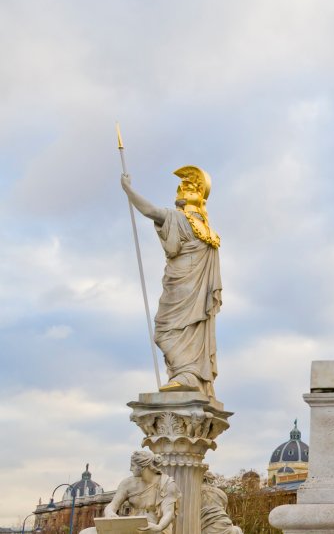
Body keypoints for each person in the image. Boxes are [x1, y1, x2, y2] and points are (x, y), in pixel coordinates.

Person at [122, 166, 222, 395]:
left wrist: (128, 189)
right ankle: (187, 373)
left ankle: (187, 373)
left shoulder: (179, 218)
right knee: (185, 327)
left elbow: (150, 211)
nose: (180, 190)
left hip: (183, 288)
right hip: (186, 286)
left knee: (164, 330)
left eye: (186, 188)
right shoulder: (208, 232)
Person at [80, 451, 179, 534]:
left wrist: (159, 527)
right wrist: (110, 513)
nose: (130, 469)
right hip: (132, 526)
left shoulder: (167, 484)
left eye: (133, 466)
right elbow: (112, 505)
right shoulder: (127, 483)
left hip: (155, 528)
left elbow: (169, 512)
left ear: (143, 466)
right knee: (87, 533)